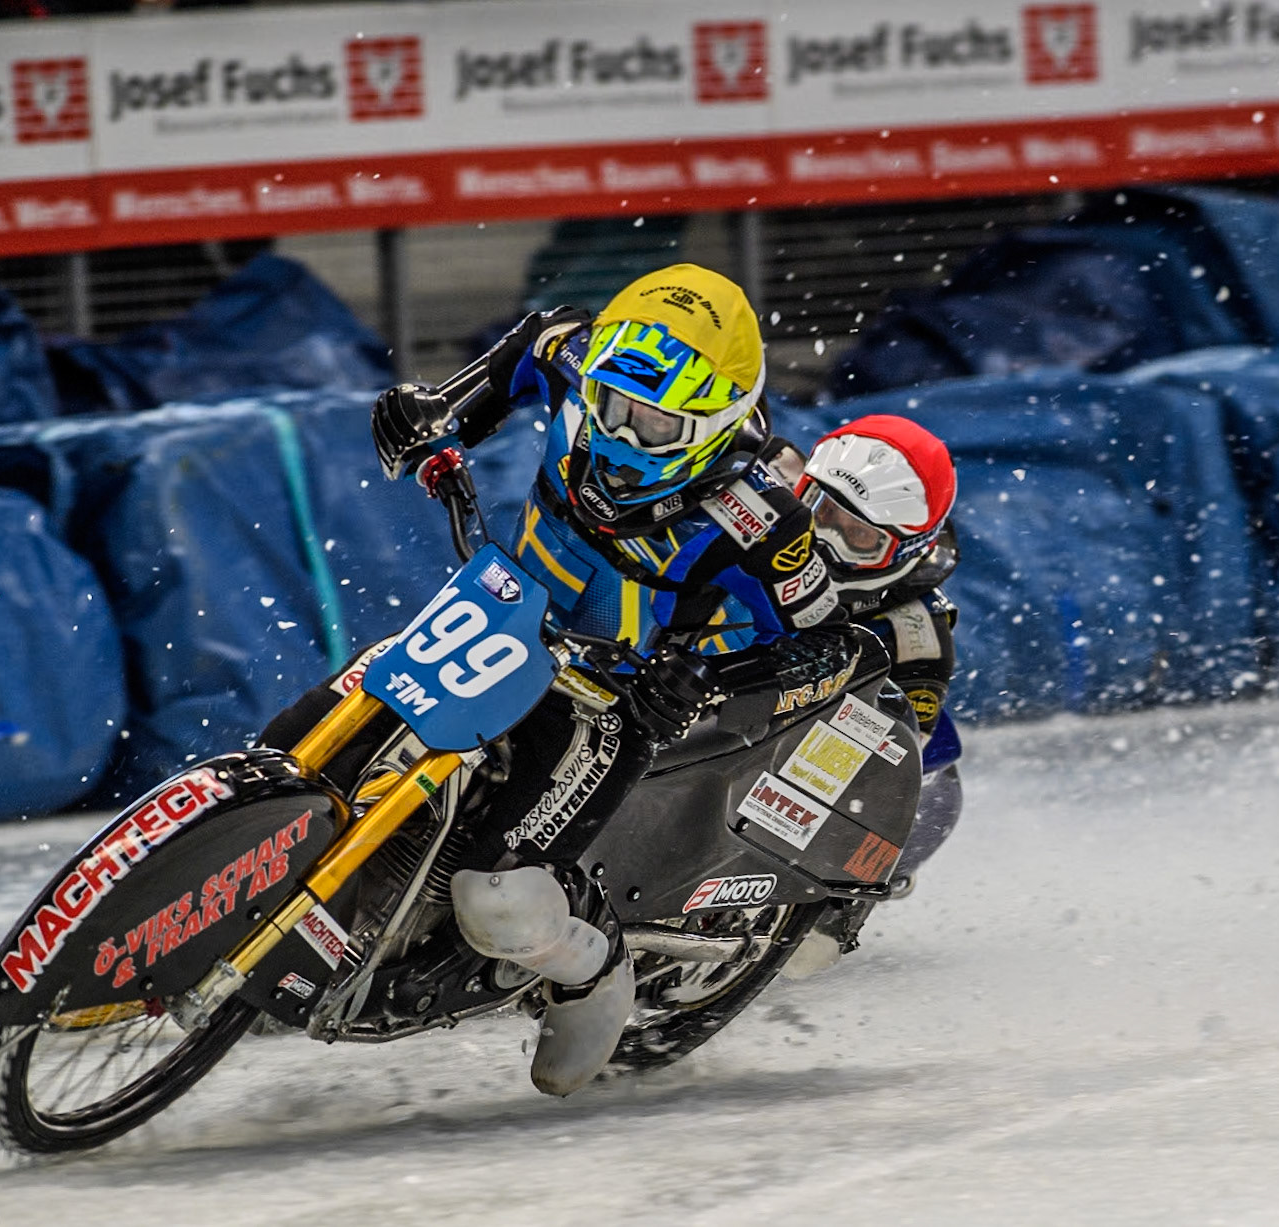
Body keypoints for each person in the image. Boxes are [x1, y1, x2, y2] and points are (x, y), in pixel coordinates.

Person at [262, 264, 864, 1095]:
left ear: (716, 426)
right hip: (493, 618)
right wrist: (431, 417)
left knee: (497, 899)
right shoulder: (567, 347)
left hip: (608, 701)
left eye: (652, 423)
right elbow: (487, 381)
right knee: (290, 746)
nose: (619, 437)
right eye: (610, 406)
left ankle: (592, 966)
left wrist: (699, 675)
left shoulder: (761, 518)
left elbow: (827, 643)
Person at [790, 414, 963, 893]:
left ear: (906, 550)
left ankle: (829, 903)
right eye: (822, 514)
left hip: (841, 753)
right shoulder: (766, 494)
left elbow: (903, 756)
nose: (826, 544)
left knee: (930, 787)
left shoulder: (915, 632)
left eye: (860, 537)